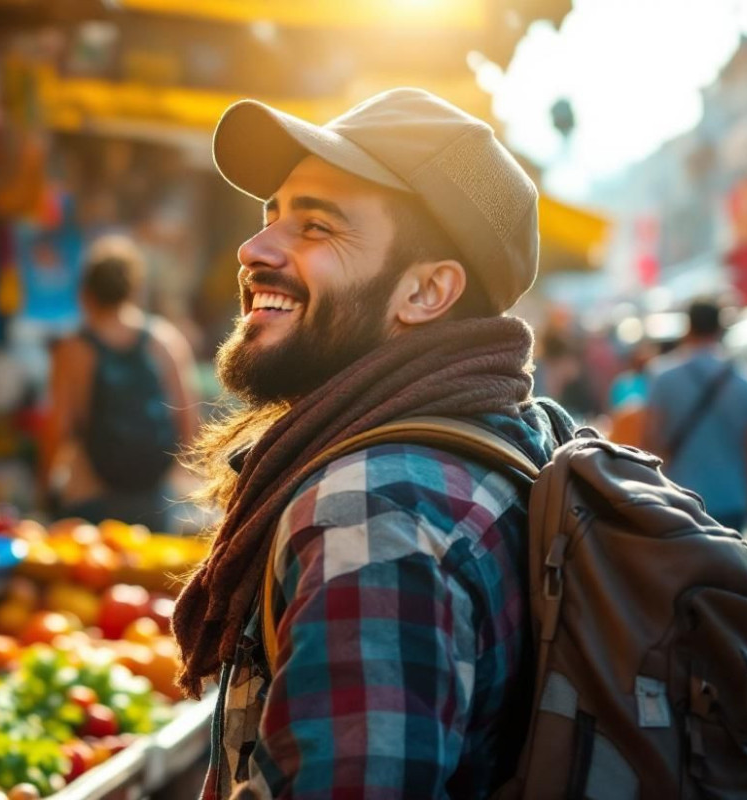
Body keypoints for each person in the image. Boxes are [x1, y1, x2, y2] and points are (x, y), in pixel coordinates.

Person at [170, 88, 574, 797]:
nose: (254, 248)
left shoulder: (376, 509)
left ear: (425, 293)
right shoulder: (510, 432)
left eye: (317, 227)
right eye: (273, 215)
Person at [42, 237, 198, 531]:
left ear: (86, 293)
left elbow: (57, 429)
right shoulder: (165, 340)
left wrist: (46, 490)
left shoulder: (73, 350)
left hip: (90, 495)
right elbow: (189, 422)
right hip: (154, 500)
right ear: (135, 289)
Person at [644, 299, 747, 545]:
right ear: (719, 329)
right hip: (731, 502)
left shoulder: (662, 377)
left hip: (678, 500)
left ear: (688, 327)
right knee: (723, 579)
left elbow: (649, 446)